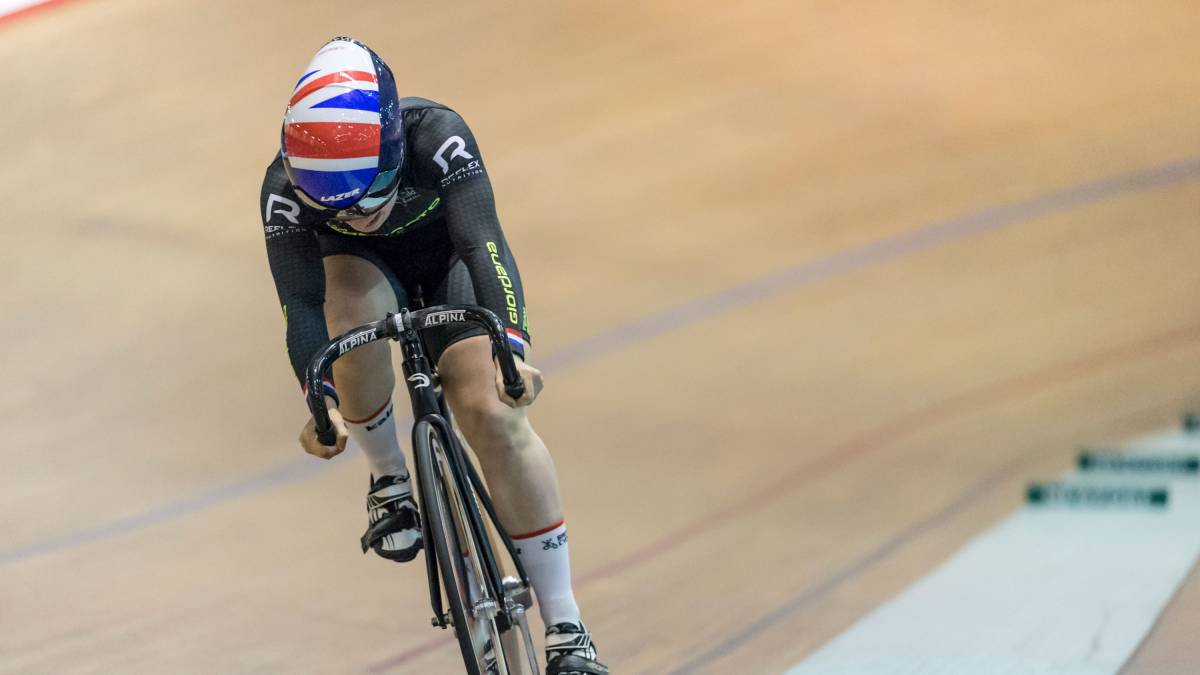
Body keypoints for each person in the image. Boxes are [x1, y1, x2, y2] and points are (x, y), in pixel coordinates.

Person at [258, 36, 607, 675]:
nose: (358, 216)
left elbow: (484, 244)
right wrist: (320, 401)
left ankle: (567, 627)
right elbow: (301, 307)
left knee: (493, 414)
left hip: (448, 261)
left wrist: (511, 350)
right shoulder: (283, 188)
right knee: (347, 310)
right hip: (358, 280)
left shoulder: (438, 136)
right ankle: (388, 474)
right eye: (335, 207)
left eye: (369, 195)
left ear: (394, 151)